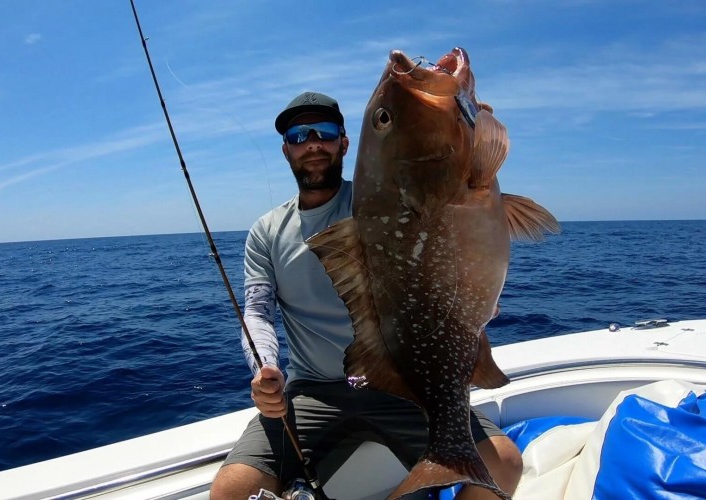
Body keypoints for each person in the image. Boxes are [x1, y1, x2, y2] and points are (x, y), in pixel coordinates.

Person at [209, 92, 523, 499]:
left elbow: (453, 211)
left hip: (403, 383)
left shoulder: (385, 203)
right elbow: (257, 312)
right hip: (312, 392)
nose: (313, 144)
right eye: (299, 135)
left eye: (324, 132)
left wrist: (472, 132)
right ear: (287, 148)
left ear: (344, 142)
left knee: (505, 463)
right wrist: (265, 367)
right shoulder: (266, 232)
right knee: (228, 492)